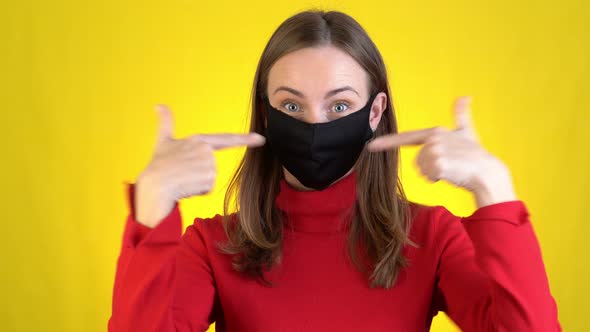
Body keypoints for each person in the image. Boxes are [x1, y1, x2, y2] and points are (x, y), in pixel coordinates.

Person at [108, 10, 561, 332]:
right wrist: (153, 208)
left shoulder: (432, 237)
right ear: (266, 114)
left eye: (340, 104)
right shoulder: (213, 246)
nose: (314, 124)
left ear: (374, 110)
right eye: (291, 104)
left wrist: (494, 189)